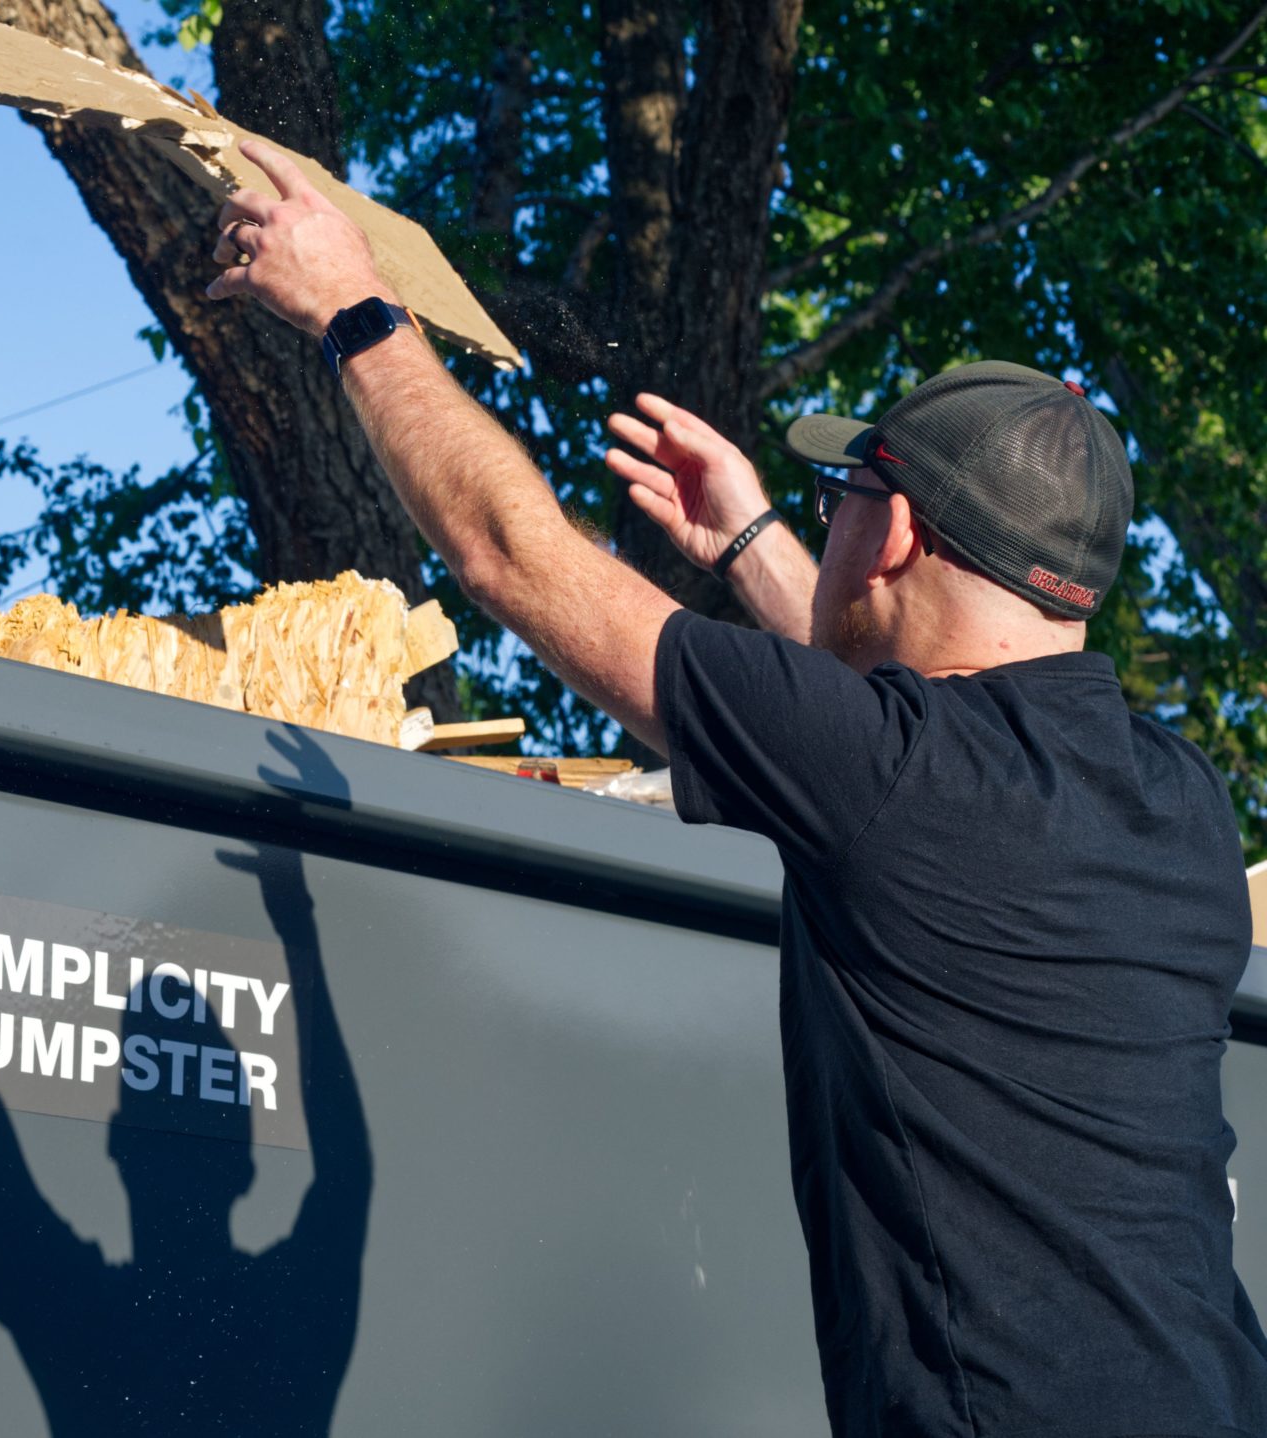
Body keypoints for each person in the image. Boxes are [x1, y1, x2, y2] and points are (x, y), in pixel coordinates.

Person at [202, 138, 1267, 1437]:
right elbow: (879, 722)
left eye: (845, 498)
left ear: (900, 530)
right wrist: (754, 542)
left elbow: (508, 554)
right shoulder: (1179, 807)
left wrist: (353, 307)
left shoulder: (887, 777)